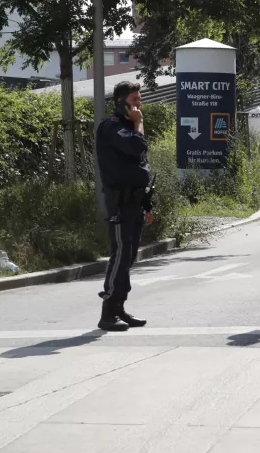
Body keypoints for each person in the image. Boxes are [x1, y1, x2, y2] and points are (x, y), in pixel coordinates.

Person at [94, 81, 155, 332]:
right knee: (120, 256)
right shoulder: (113, 127)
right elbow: (136, 147)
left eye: (139, 99)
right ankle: (108, 312)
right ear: (121, 101)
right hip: (120, 203)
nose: (138, 104)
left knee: (128, 257)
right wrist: (139, 123)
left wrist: (147, 204)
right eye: (134, 99)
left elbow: (141, 168)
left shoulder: (129, 127)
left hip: (136, 202)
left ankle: (119, 307)